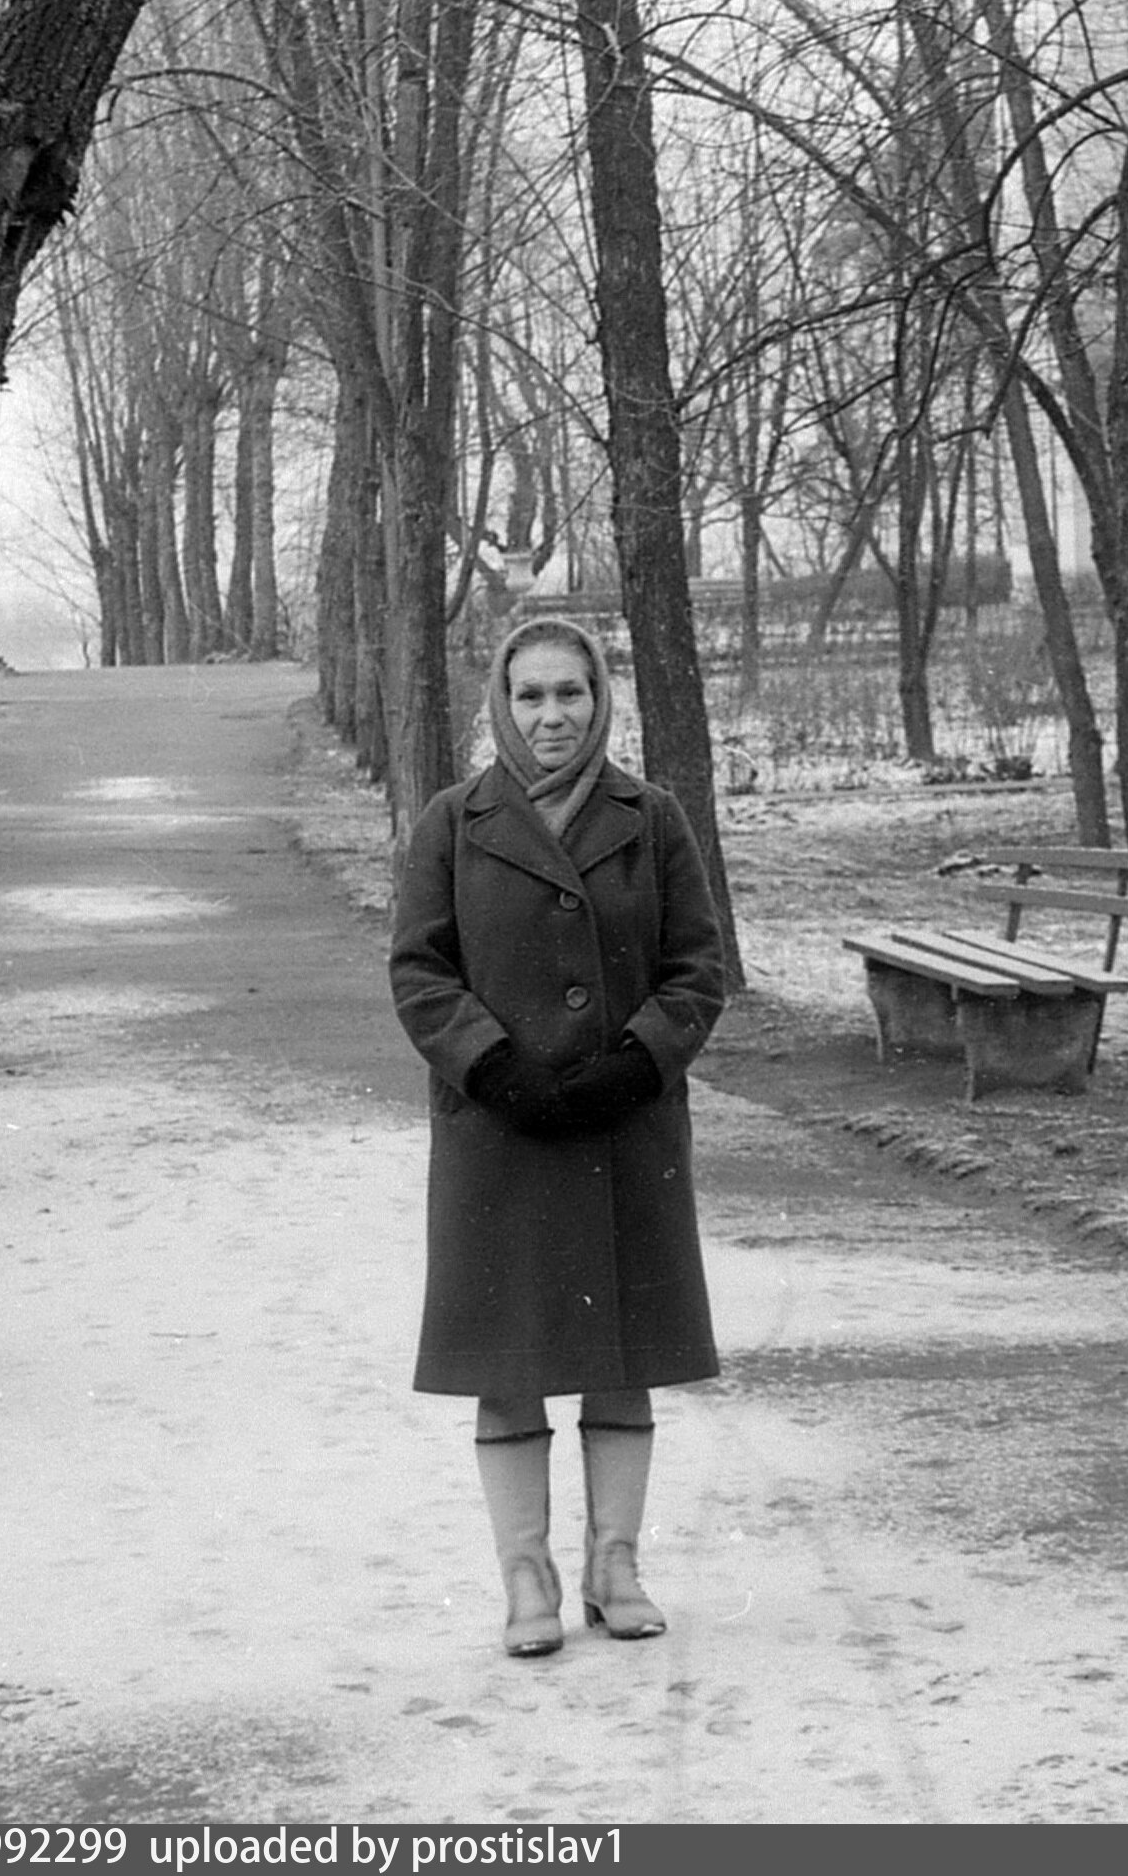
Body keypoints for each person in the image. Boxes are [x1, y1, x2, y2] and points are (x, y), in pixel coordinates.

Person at [389, 615, 729, 1656]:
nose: (551, 716)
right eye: (529, 695)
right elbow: (418, 971)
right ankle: (526, 1579)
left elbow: (697, 970)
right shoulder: (453, 822)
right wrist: (493, 1066)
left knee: (621, 1357)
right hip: (498, 1128)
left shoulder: (652, 817)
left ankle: (615, 1567)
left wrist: (636, 1061)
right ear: (501, 703)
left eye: (569, 693)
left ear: (599, 699)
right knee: (509, 1361)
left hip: (624, 1126)